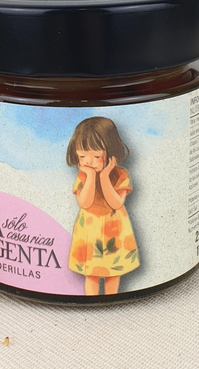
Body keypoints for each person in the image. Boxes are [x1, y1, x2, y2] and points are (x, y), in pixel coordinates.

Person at [66, 117, 139, 295]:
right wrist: (91, 176)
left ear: (111, 153)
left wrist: (105, 176)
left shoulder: (121, 174)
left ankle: (110, 300)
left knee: (113, 274)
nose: (88, 161)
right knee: (91, 274)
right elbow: (85, 203)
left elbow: (116, 203)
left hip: (114, 229)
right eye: (82, 156)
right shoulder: (83, 177)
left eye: (96, 156)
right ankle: (91, 300)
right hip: (90, 230)